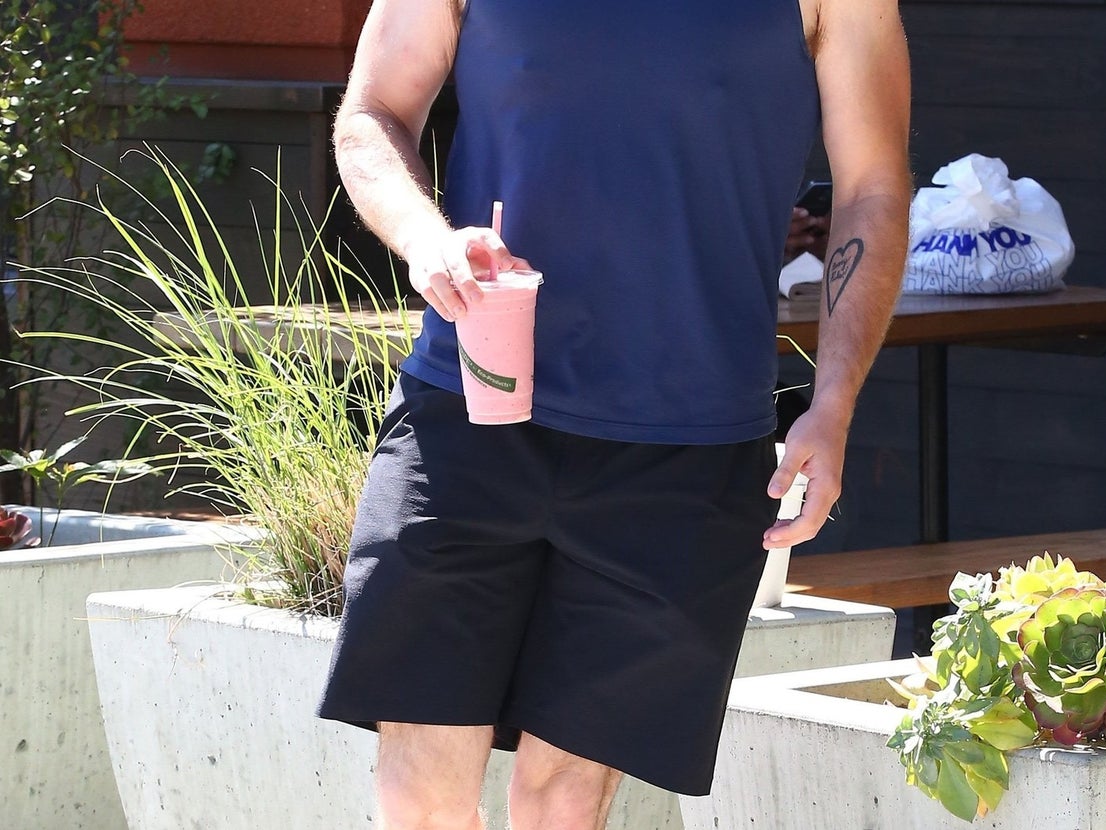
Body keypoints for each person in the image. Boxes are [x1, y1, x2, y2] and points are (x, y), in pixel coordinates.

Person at [318, 1, 911, 828]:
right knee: (417, 796)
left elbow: (874, 186)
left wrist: (834, 402)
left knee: (562, 804)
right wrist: (426, 240)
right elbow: (373, 111)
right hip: (468, 406)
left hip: (688, 447)